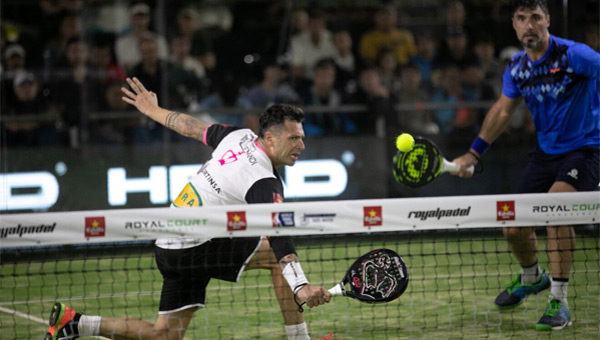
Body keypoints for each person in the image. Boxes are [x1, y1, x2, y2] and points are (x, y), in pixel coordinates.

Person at [45, 77, 331, 340]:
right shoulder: (262, 181)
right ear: (270, 138)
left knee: (164, 336)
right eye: (294, 138)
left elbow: (191, 127)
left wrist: (153, 111)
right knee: (272, 254)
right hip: (192, 246)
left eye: (302, 137)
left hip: (171, 243)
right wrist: (301, 287)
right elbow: (278, 234)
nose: (302, 145)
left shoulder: (239, 137)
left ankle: (75, 323)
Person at [451, 0, 599, 331]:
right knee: (513, 227)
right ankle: (533, 277)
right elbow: (503, 111)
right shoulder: (517, 67)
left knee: (557, 210)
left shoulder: (575, 55)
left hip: (586, 150)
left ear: (547, 20)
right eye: (521, 18)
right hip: (545, 154)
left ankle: (559, 300)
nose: (529, 24)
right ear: (514, 26)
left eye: (535, 17)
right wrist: (473, 154)